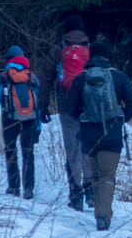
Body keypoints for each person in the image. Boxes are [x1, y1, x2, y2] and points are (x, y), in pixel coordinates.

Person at [64, 42, 132, 230]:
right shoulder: (118, 76)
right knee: (107, 175)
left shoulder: (81, 79)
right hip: (112, 135)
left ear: (90, 57)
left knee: (96, 175)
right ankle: (103, 216)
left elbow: (70, 108)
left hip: (89, 136)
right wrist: (122, 120)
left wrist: (83, 121)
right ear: (107, 57)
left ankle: (100, 213)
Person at [37, 16, 93, 210]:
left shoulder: (57, 51)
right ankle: (91, 191)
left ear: (66, 32)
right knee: (88, 147)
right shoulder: (92, 51)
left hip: (66, 105)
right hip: (90, 108)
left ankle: (75, 196)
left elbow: (45, 79)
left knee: (72, 150)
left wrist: (42, 106)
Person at [0, 48, 41, 199]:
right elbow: (38, 104)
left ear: (8, 59)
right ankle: (29, 188)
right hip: (30, 119)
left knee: (11, 151)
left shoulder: (3, 76)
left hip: (9, 119)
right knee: (28, 152)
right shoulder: (31, 76)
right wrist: (38, 126)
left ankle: (14, 187)